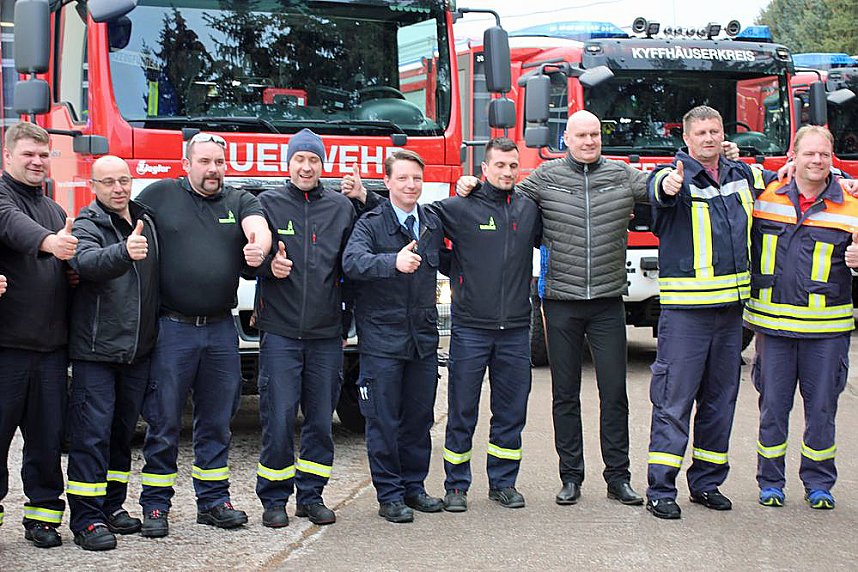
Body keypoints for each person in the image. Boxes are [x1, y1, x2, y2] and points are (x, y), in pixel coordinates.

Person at [135, 132, 271, 537]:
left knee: (216, 421)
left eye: (219, 162)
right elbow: (118, 218)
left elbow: (258, 226)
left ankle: (214, 501)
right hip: (173, 329)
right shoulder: (158, 195)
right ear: (186, 163)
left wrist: (257, 248)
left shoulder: (238, 200)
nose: (213, 170)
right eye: (205, 161)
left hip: (219, 331)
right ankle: (156, 507)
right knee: (163, 420)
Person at [747, 126, 858, 510]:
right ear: (793, 157)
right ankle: (770, 482)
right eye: (809, 154)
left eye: (824, 155)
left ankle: (819, 484)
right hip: (774, 329)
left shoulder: (851, 202)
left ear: (832, 160)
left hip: (826, 333)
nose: (817, 161)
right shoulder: (765, 195)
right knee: (773, 409)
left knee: (822, 411)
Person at [429, 138, 541, 512]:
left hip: (515, 328)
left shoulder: (529, 208)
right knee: (462, 410)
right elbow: (423, 220)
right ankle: (456, 486)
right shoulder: (461, 207)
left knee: (511, 412)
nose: (507, 172)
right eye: (500, 166)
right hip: (470, 329)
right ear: (484, 169)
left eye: (513, 166)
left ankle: (503, 483)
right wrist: (447, 263)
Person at [253, 129, 355, 527]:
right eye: (300, 159)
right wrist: (267, 266)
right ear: (288, 163)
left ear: (322, 164)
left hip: (327, 334)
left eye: (313, 160)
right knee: (277, 418)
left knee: (319, 420)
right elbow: (245, 258)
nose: (307, 166)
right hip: (279, 331)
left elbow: (357, 259)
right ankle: (274, 499)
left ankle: (311, 496)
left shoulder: (341, 208)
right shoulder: (268, 204)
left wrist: (363, 196)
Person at [343, 150, 446, 523]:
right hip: (383, 342)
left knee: (419, 418)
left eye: (416, 178)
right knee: (384, 421)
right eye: (402, 178)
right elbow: (352, 262)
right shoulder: (371, 223)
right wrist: (392, 262)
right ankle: (389, 495)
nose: (411, 185)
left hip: (422, 340)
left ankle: (414, 488)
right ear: (387, 183)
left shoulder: (431, 221)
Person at [65, 156, 160, 551]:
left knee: (121, 436)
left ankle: (112, 507)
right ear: (94, 186)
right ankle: (86, 519)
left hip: (137, 354)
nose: (118, 188)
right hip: (96, 353)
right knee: (91, 436)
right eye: (108, 182)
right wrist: (124, 251)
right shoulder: (88, 224)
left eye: (124, 180)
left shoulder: (146, 220)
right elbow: (84, 262)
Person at [0, 121, 77, 548]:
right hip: (7, 348)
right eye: (28, 154)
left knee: (47, 442)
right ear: (8, 156)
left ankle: (43, 518)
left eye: (43, 155)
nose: (36, 161)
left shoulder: (54, 209)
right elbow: (12, 226)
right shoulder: (2, 199)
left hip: (50, 350)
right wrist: (50, 243)